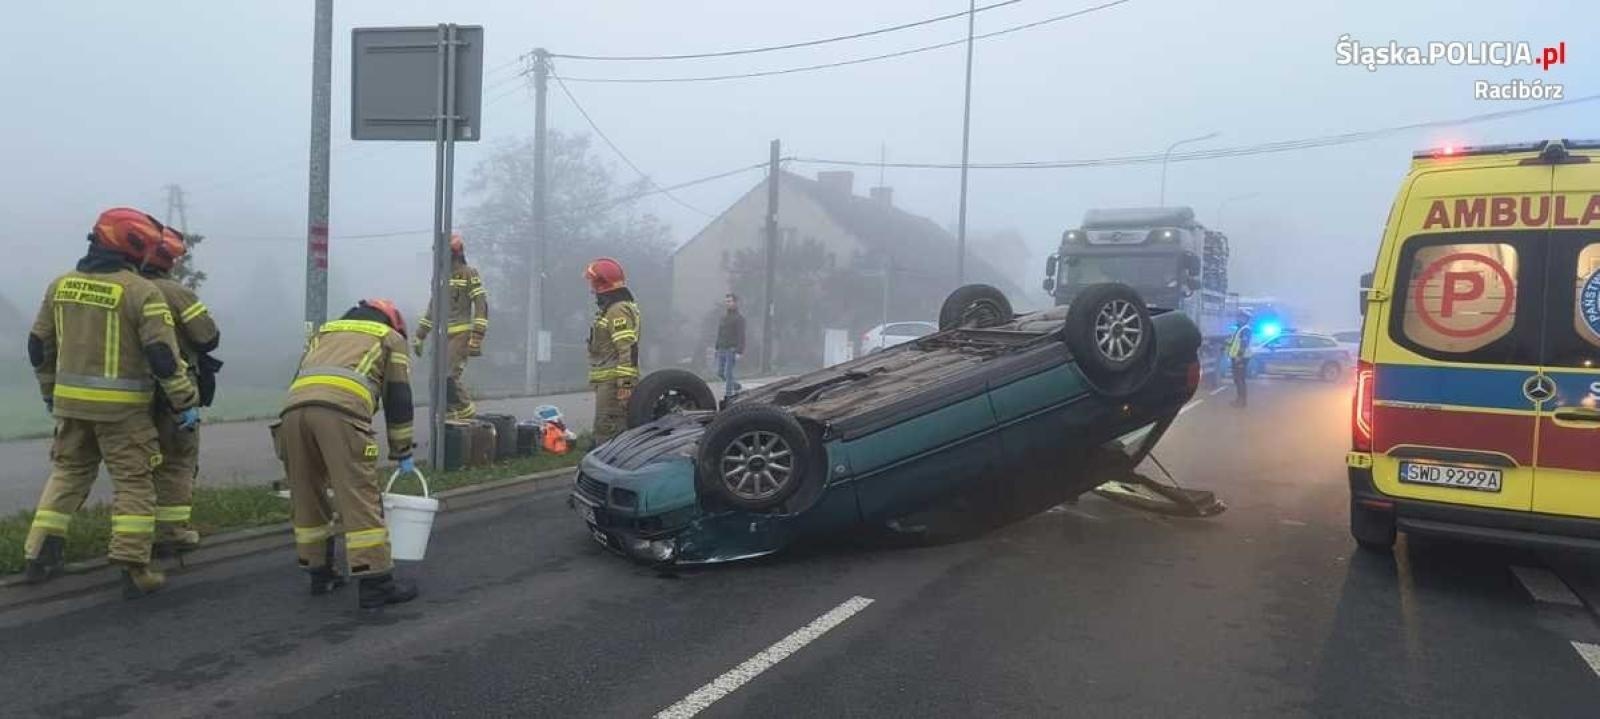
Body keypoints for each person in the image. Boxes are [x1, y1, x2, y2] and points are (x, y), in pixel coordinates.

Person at [23, 208, 201, 597]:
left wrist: (49, 392)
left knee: (67, 476)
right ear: (133, 245)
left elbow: (39, 345)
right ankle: (134, 567)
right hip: (124, 414)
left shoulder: (60, 286)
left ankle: (38, 555)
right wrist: (184, 402)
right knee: (134, 485)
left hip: (71, 409)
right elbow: (162, 357)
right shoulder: (141, 291)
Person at [278, 299, 418, 608]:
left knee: (307, 494)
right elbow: (399, 397)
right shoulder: (389, 338)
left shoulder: (324, 334)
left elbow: (298, 377)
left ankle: (320, 573)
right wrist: (402, 449)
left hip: (291, 414)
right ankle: (376, 584)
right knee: (358, 497)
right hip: (339, 414)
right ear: (393, 322)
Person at [141, 227, 221, 556]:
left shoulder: (123, 288)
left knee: (135, 465)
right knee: (176, 460)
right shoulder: (176, 293)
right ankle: (172, 533)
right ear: (169, 261)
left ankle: (134, 535)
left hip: (130, 393)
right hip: (174, 391)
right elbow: (208, 337)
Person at [413, 232, 488, 421]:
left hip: (461, 335)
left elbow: (481, 304)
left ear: (453, 254)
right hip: (441, 336)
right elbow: (433, 308)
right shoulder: (439, 277)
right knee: (435, 382)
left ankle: (467, 414)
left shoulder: (469, 273)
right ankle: (447, 420)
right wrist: (420, 335)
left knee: (448, 377)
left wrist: (477, 336)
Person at [585, 258, 641, 444]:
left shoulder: (617, 311)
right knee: (603, 429)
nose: (592, 289)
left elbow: (627, 349)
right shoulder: (611, 309)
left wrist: (625, 385)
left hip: (613, 385)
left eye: (594, 283)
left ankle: (606, 471)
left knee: (607, 433)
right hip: (606, 383)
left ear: (603, 284)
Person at [714, 293, 746, 399]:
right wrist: (716, 347)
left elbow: (741, 335)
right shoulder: (723, 318)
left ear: (735, 303)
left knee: (728, 373)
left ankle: (728, 395)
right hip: (722, 348)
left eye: (730, 301)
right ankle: (736, 386)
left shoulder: (739, 318)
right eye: (726, 301)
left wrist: (739, 351)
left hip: (731, 350)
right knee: (720, 373)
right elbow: (720, 333)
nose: (727, 303)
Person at [1226, 313, 1254, 408]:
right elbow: (1234, 342)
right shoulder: (1239, 329)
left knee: (1240, 379)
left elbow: (1243, 344)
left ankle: (1241, 401)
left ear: (1246, 319)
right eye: (1238, 317)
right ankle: (1239, 399)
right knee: (1237, 379)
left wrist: (1239, 356)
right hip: (1237, 357)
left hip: (1242, 358)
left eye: (1241, 317)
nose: (1239, 319)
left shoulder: (1245, 330)